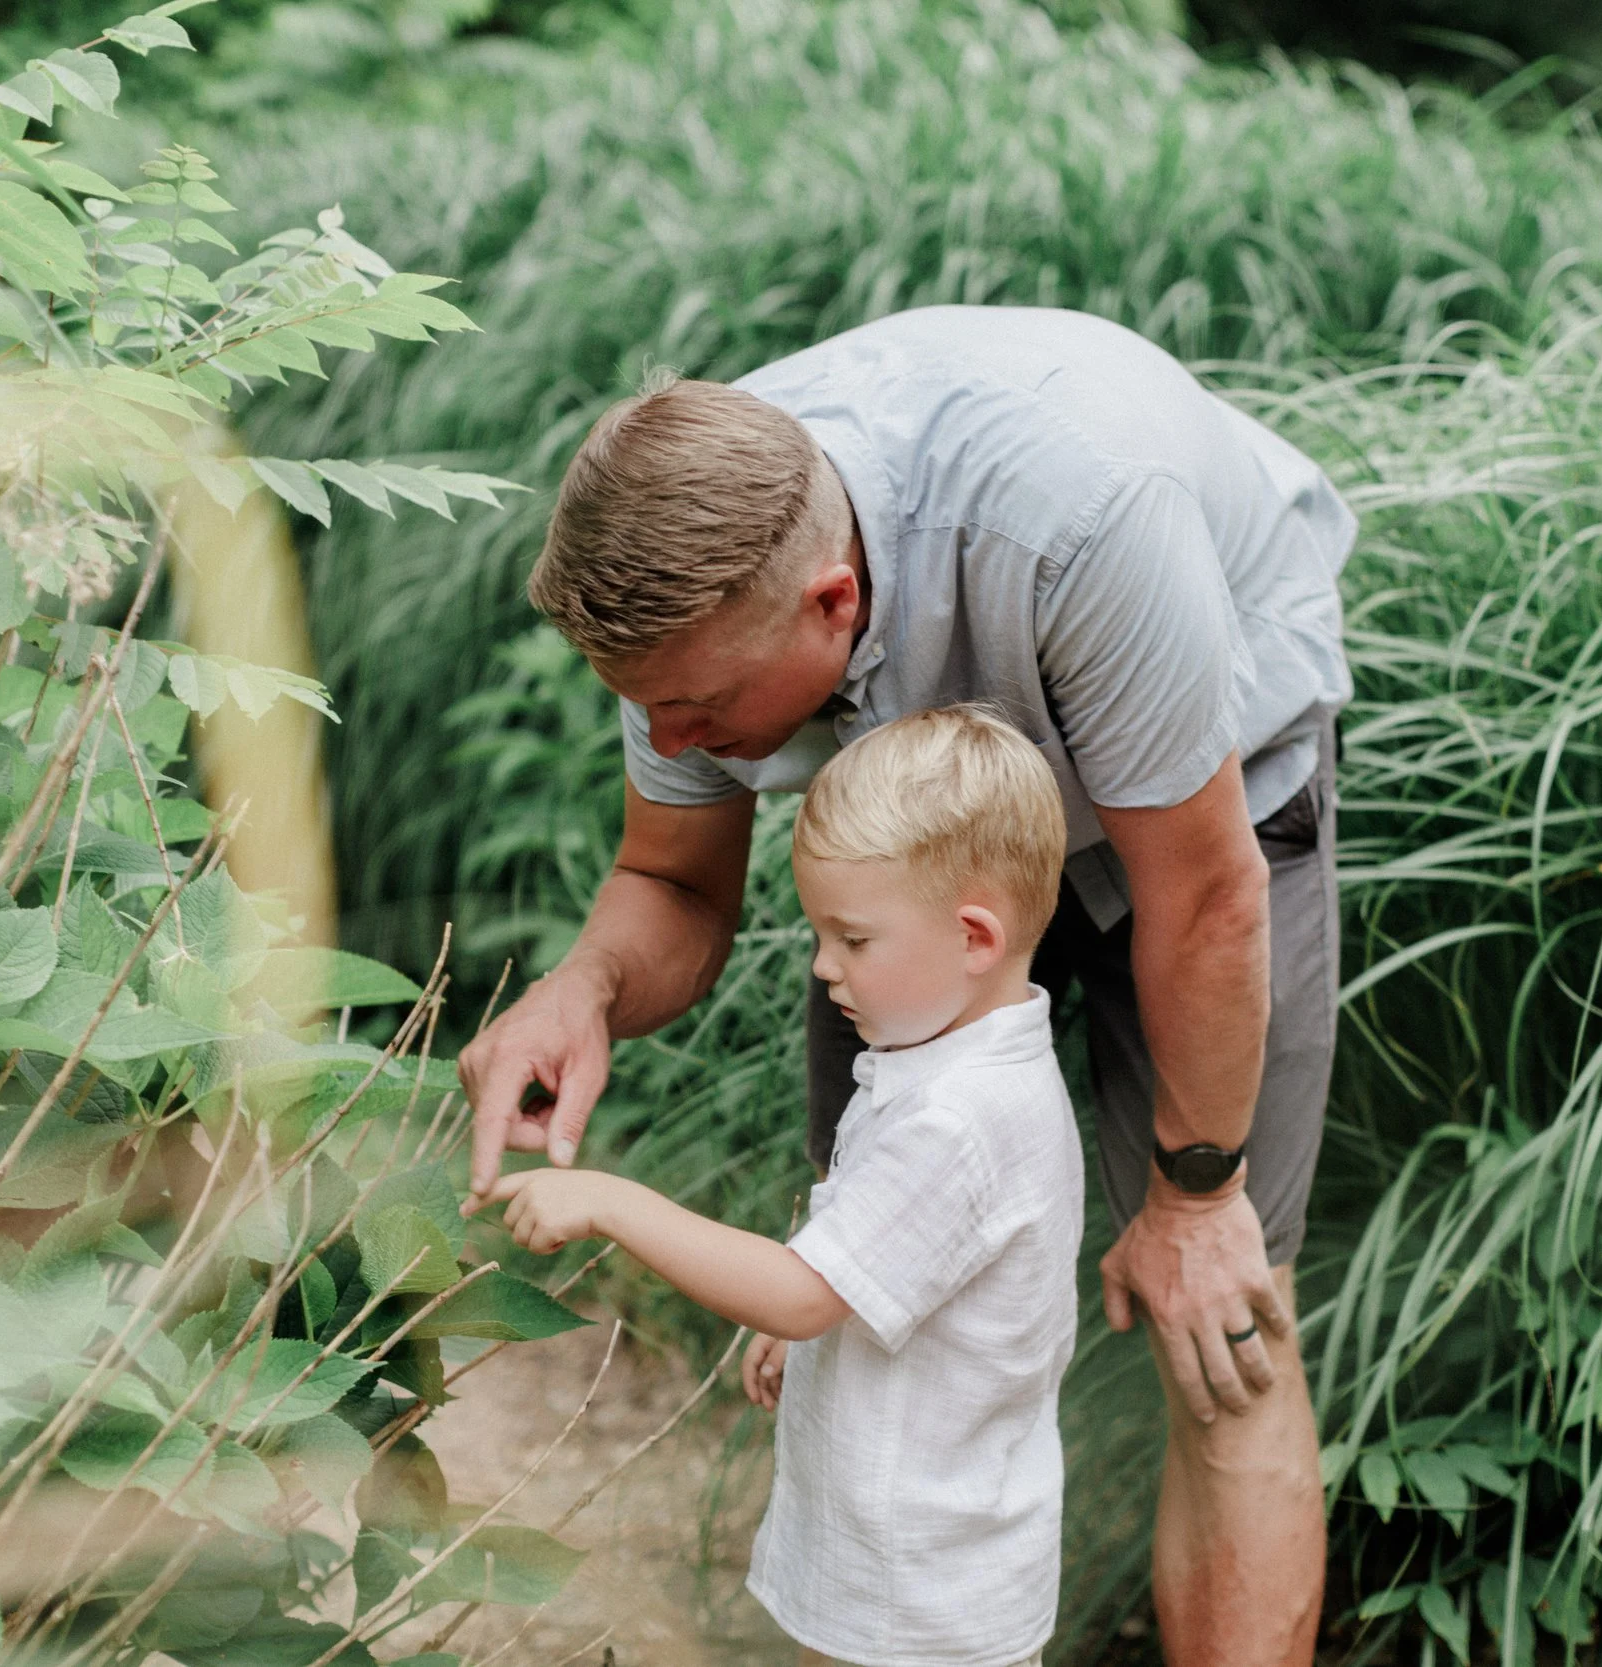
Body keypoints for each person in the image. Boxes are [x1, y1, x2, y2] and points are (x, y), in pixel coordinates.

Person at [459, 304, 1351, 1666]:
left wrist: (1198, 1189)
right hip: (916, 865)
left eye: (698, 711)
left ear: (831, 602)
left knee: (1222, 1329)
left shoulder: (1080, 517)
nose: (677, 742)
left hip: (1199, 803)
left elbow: (1205, 893)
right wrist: (582, 985)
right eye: (650, 714)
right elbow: (680, 886)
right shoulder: (695, 572)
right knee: (881, 1289)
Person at [482, 707, 1083, 1667]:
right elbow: (860, 1264)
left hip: (919, 1592)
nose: (822, 965)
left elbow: (806, 1295)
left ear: (974, 936)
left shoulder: (961, 1117)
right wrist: (814, 1293)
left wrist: (612, 1201)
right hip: (907, 1563)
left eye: (851, 938)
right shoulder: (943, 1058)